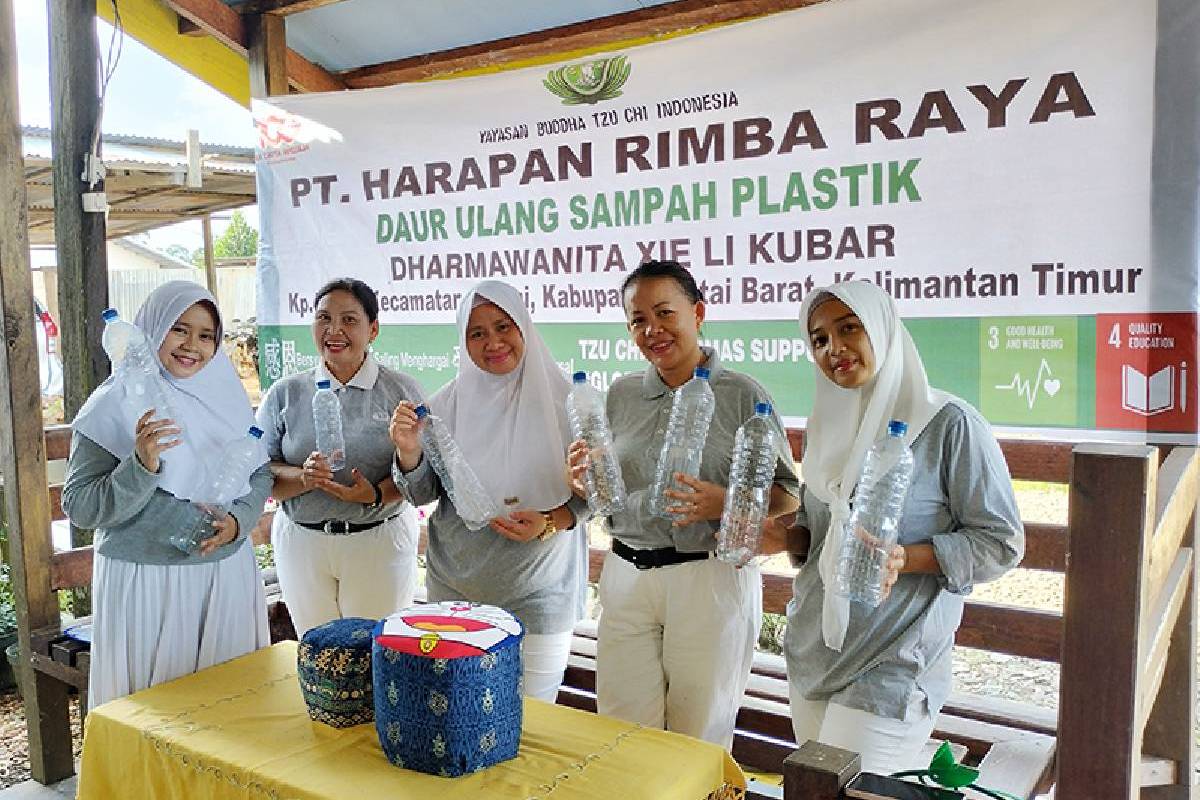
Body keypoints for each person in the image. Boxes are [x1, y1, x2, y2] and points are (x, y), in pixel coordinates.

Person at [763, 280, 1024, 773]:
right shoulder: (827, 423)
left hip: (892, 661)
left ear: (882, 329)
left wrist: (908, 559)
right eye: (818, 339)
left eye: (849, 328)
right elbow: (820, 531)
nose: (834, 349)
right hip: (815, 653)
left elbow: (1001, 542)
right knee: (813, 789)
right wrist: (788, 536)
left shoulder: (948, 424)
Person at [568, 260, 800, 748]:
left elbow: (786, 494)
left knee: (700, 735)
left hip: (708, 577)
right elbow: (605, 485)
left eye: (664, 313)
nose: (652, 330)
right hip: (627, 575)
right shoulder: (621, 394)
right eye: (637, 320)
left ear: (697, 313)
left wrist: (725, 502)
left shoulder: (741, 394)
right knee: (622, 734)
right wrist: (585, 478)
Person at [64, 281, 271, 709]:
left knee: (228, 714)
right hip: (146, 585)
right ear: (151, 329)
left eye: (206, 335)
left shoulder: (226, 396)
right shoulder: (113, 405)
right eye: (179, 329)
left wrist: (237, 524)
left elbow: (259, 474)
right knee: (153, 716)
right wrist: (141, 466)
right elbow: (81, 506)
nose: (192, 345)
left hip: (224, 575)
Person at [389, 280, 589, 702]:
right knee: (460, 718)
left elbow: (595, 494)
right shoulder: (443, 406)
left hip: (540, 592)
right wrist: (409, 453)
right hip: (456, 594)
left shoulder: (569, 403)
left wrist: (551, 521)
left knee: (531, 725)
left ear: (524, 328)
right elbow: (422, 493)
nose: (492, 342)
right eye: (476, 333)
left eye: (503, 326)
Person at [256, 278, 423, 637]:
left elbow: (424, 472)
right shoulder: (285, 393)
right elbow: (258, 468)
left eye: (349, 320)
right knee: (320, 659)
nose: (334, 330)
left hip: (377, 541)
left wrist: (375, 494)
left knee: (375, 655)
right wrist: (302, 476)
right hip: (301, 542)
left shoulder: (402, 391)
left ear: (373, 329)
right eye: (323, 318)